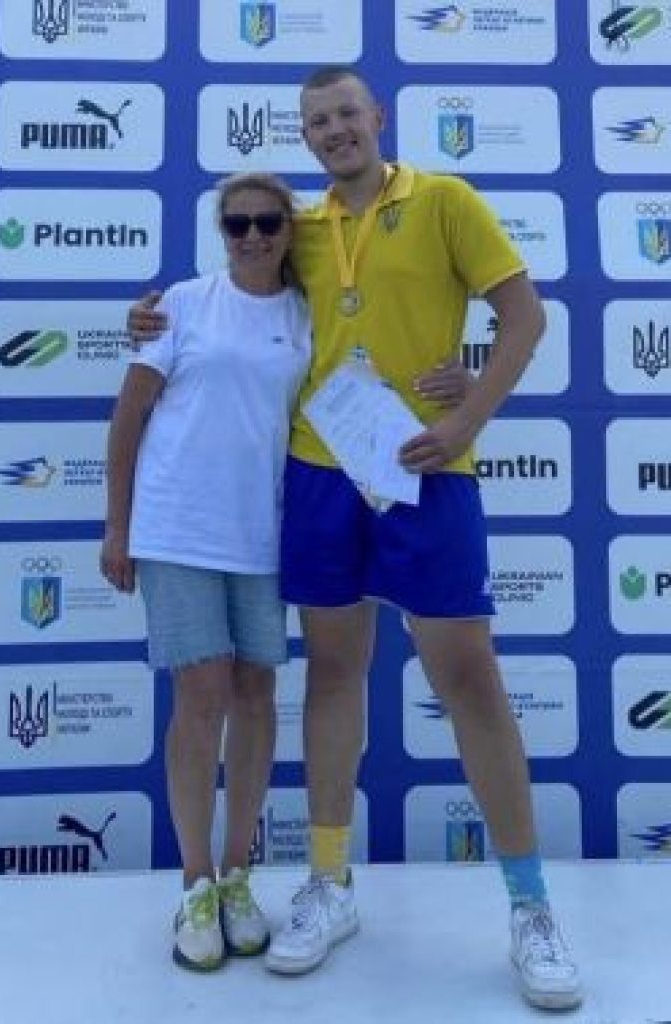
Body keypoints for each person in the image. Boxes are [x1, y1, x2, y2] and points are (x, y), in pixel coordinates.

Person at [127, 67, 581, 1010]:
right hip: (321, 472)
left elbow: (525, 316)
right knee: (334, 675)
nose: (334, 130)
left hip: (425, 465)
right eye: (316, 122)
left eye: (345, 114)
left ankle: (531, 907)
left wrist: (468, 414)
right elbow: (237, 297)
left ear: (377, 118)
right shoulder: (299, 227)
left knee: (468, 679)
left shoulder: (445, 200)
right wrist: (147, 316)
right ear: (306, 137)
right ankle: (329, 883)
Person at [100, 172, 312, 972]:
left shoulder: (308, 315)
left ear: (289, 229)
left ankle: (236, 876)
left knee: (256, 695)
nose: (253, 236)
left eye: (267, 222)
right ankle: (194, 882)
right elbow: (129, 415)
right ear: (222, 232)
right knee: (202, 695)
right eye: (237, 224)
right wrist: (117, 525)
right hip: (177, 529)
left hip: (263, 535)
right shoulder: (182, 304)